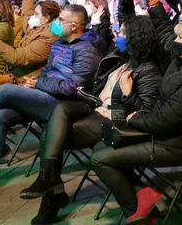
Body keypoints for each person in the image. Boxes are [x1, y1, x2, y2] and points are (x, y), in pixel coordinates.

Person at [19, 16, 162, 224]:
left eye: (123, 33)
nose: (117, 35)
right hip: (97, 108)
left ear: (137, 38)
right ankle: (49, 181)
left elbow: (145, 113)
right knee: (60, 112)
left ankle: (51, 190)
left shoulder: (148, 70)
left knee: (51, 135)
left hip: (115, 119)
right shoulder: (121, 59)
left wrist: (128, 93)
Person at [89, 18, 182, 224]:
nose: (175, 40)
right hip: (160, 133)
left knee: (100, 159)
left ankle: (137, 215)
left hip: (175, 145)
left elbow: (163, 121)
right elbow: (161, 112)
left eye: (181, 37)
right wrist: (131, 99)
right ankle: (143, 196)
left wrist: (134, 115)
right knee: (101, 146)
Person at [0, 5, 101, 202]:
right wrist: (35, 83)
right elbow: (47, 72)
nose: (56, 23)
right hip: (44, 95)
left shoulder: (87, 50)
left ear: (75, 26)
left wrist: (40, 84)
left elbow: (74, 87)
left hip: (64, 106)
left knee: (5, 90)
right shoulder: (59, 44)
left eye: (61, 20)